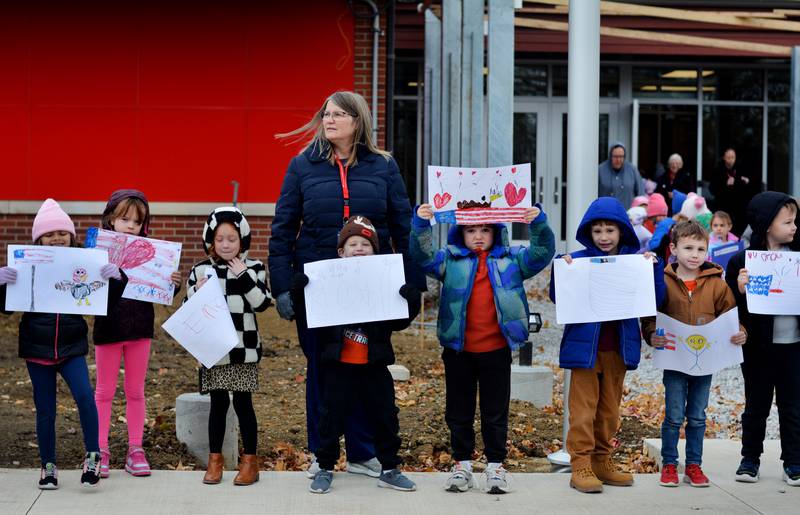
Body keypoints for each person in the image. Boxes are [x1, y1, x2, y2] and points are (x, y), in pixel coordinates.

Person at [269, 91, 421, 477]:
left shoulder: (383, 167)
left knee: (366, 366)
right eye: (326, 114)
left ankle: (362, 453)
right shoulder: (303, 165)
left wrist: (412, 283)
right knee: (324, 370)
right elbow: (283, 229)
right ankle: (322, 458)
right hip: (319, 288)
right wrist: (283, 285)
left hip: (372, 287)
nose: (329, 120)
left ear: (358, 121)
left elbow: (403, 228)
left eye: (339, 114)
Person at [411, 202, 555, 494]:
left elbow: (542, 253)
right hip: (458, 350)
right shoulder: (449, 261)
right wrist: (421, 224)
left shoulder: (512, 260)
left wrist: (538, 223)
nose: (478, 236)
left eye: (485, 230)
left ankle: (495, 467)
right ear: (459, 234)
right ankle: (462, 465)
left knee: (495, 410)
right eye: (471, 230)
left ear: (497, 232)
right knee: (458, 410)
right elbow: (421, 255)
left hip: (496, 349)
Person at [0, 199, 126, 489]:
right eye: (49, 234)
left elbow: (105, 301)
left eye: (62, 233)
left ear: (72, 236)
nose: (56, 238)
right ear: (39, 240)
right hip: (37, 349)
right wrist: (2, 283)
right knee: (46, 409)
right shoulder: (27, 265)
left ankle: (93, 456)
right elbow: (6, 309)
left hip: (71, 348)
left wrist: (116, 278)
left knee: (85, 397)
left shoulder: (85, 261)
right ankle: (48, 466)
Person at [291, 216, 421, 494]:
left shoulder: (383, 282)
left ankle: (389, 468)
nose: (359, 248)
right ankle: (324, 467)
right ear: (341, 252)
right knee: (330, 418)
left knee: (385, 417)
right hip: (338, 365)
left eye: (366, 244)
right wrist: (300, 292)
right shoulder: (328, 281)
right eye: (353, 244)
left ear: (375, 252)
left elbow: (399, 321)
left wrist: (411, 300)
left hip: (374, 365)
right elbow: (311, 316)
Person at [549, 197, 665, 494]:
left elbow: (656, 299)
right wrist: (561, 271)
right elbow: (556, 296)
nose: (603, 237)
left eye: (610, 230)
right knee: (583, 410)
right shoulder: (577, 260)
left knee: (610, 411)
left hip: (618, 349)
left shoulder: (635, 262)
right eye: (597, 230)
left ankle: (602, 459)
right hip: (584, 351)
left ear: (622, 232)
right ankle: (581, 465)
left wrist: (653, 269)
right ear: (589, 232)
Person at [642, 221, 746, 487]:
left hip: (705, 362)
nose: (695, 254)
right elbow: (650, 314)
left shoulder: (717, 284)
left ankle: (694, 466)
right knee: (674, 416)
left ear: (707, 252)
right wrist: (651, 334)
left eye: (701, 249)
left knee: (698, 416)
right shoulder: (663, 281)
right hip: (675, 361)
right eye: (688, 247)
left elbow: (730, 315)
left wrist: (740, 331)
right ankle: (668, 464)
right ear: (674, 249)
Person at [92, 190, 182, 478]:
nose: (131, 225)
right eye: (124, 219)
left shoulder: (152, 254)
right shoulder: (97, 254)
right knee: (104, 392)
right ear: (110, 220)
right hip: (107, 329)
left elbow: (157, 290)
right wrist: (105, 276)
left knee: (135, 391)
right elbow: (89, 292)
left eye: (137, 221)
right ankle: (100, 449)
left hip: (140, 328)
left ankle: (135, 448)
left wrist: (172, 284)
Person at [186, 207, 272, 486]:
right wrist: (196, 292)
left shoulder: (254, 268)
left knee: (244, 404)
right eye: (220, 239)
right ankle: (215, 461)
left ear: (242, 240)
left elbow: (261, 303)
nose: (226, 244)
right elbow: (189, 311)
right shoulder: (200, 270)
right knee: (218, 404)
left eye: (232, 239)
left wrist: (243, 275)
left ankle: (250, 462)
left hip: (243, 349)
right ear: (210, 240)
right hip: (214, 350)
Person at [726, 192, 800, 486]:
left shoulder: (798, 257)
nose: (794, 227)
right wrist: (740, 289)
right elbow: (728, 306)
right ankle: (749, 459)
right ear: (768, 225)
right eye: (788, 222)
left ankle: (794, 461)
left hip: (793, 347)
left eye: (795, 221)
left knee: (793, 406)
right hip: (757, 348)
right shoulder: (741, 261)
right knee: (756, 405)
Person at [709, 148, 756, 235]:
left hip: (738, 206)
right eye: (728, 157)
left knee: (739, 227)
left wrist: (741, 182)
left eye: (732, 157)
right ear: (724, 158)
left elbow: (749, 187)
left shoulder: (741, 168)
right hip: (723, 205)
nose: (730, 160)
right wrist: (725, 184)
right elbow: (712, 189)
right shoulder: (718, 170)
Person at [598, 142, 644, 210]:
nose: (618, 160)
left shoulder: (632, 170)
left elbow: (641, 194)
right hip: (606, 214)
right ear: (610, 156)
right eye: (615, 157)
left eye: (621, 156)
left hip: (627, 215)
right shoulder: (600, 170)